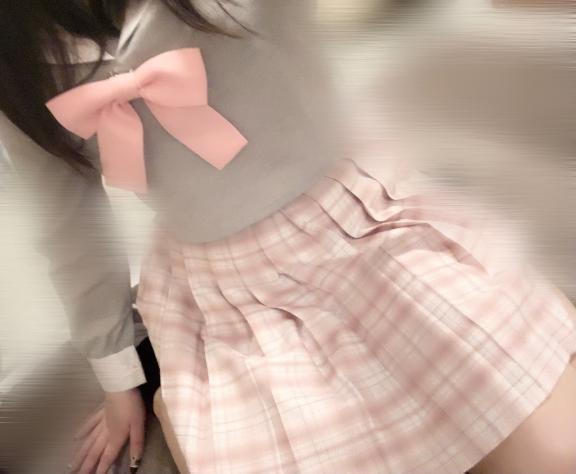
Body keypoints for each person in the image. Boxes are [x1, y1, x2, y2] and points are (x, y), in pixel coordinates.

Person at [0, 1, 575, 473]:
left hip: (365, 225)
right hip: (224, 296)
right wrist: (117, 372)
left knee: (551, 449)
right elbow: (67, 219)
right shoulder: (16, 58)